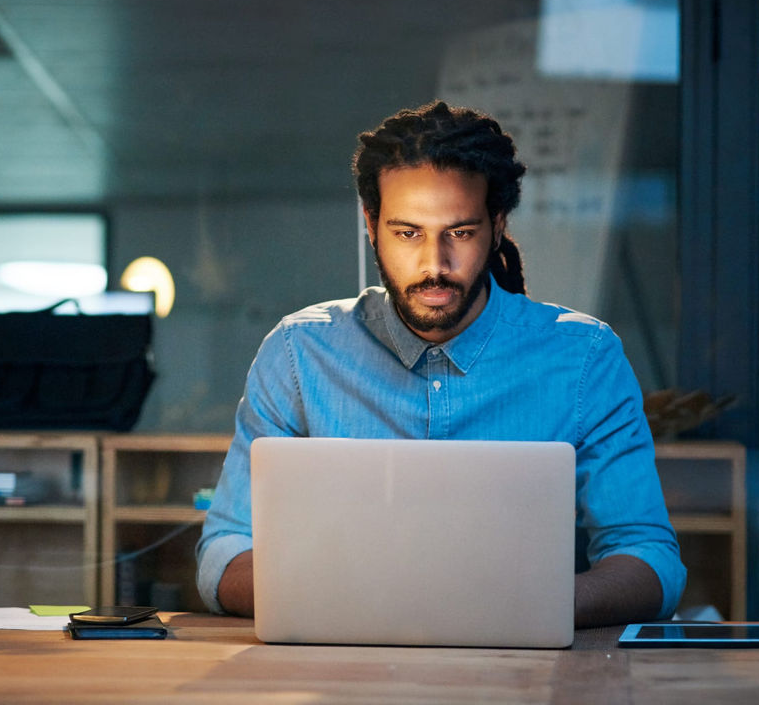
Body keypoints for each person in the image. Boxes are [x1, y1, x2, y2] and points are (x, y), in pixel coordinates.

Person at [195, 101, 685, 627]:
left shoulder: (585, 358)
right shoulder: (298, 353)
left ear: (497, 226)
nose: (434, 265)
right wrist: (342, 595)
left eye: (460, 233)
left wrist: (537, 604)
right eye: (408, 233)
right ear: (371, 224)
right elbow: (224, 552)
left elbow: (649, 557)